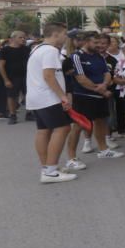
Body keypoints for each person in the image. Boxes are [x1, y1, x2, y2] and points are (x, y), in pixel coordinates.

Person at [27, 22, 77, 183]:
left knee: (44, 130)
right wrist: (63, 96)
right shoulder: (50, 51)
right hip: (48, 97)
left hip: (36, 97)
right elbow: (49, 76)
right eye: (65, 34)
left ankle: (47, 167)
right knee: (63, 128)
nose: (66, 37)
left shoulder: (37, 48)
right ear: (56, 35)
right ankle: (50, 171)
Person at [66, 31, 124, 165]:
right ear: (86, 42)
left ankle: (103, 150)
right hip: (83, 97)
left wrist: (104, 85)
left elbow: (107, 73)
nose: (99, 45)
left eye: (99, 42)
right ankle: (71, 158)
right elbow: (81, 79)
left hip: (99, 96)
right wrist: (102, 90)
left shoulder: (99, 56)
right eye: (95, 42)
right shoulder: (76, 56)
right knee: (79, 126)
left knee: (101, 122)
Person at [0, 30, 29, 124]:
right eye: (20, 37)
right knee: (12, 96)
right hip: (12, 77)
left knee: (28, 95)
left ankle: (29, 113)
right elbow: (1, 66)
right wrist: (6, 80)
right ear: (13, 39)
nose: (23, 39)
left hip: (26, 76)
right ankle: (12, 115)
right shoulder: (5, 50)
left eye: (24, 37)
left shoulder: (27, 49)